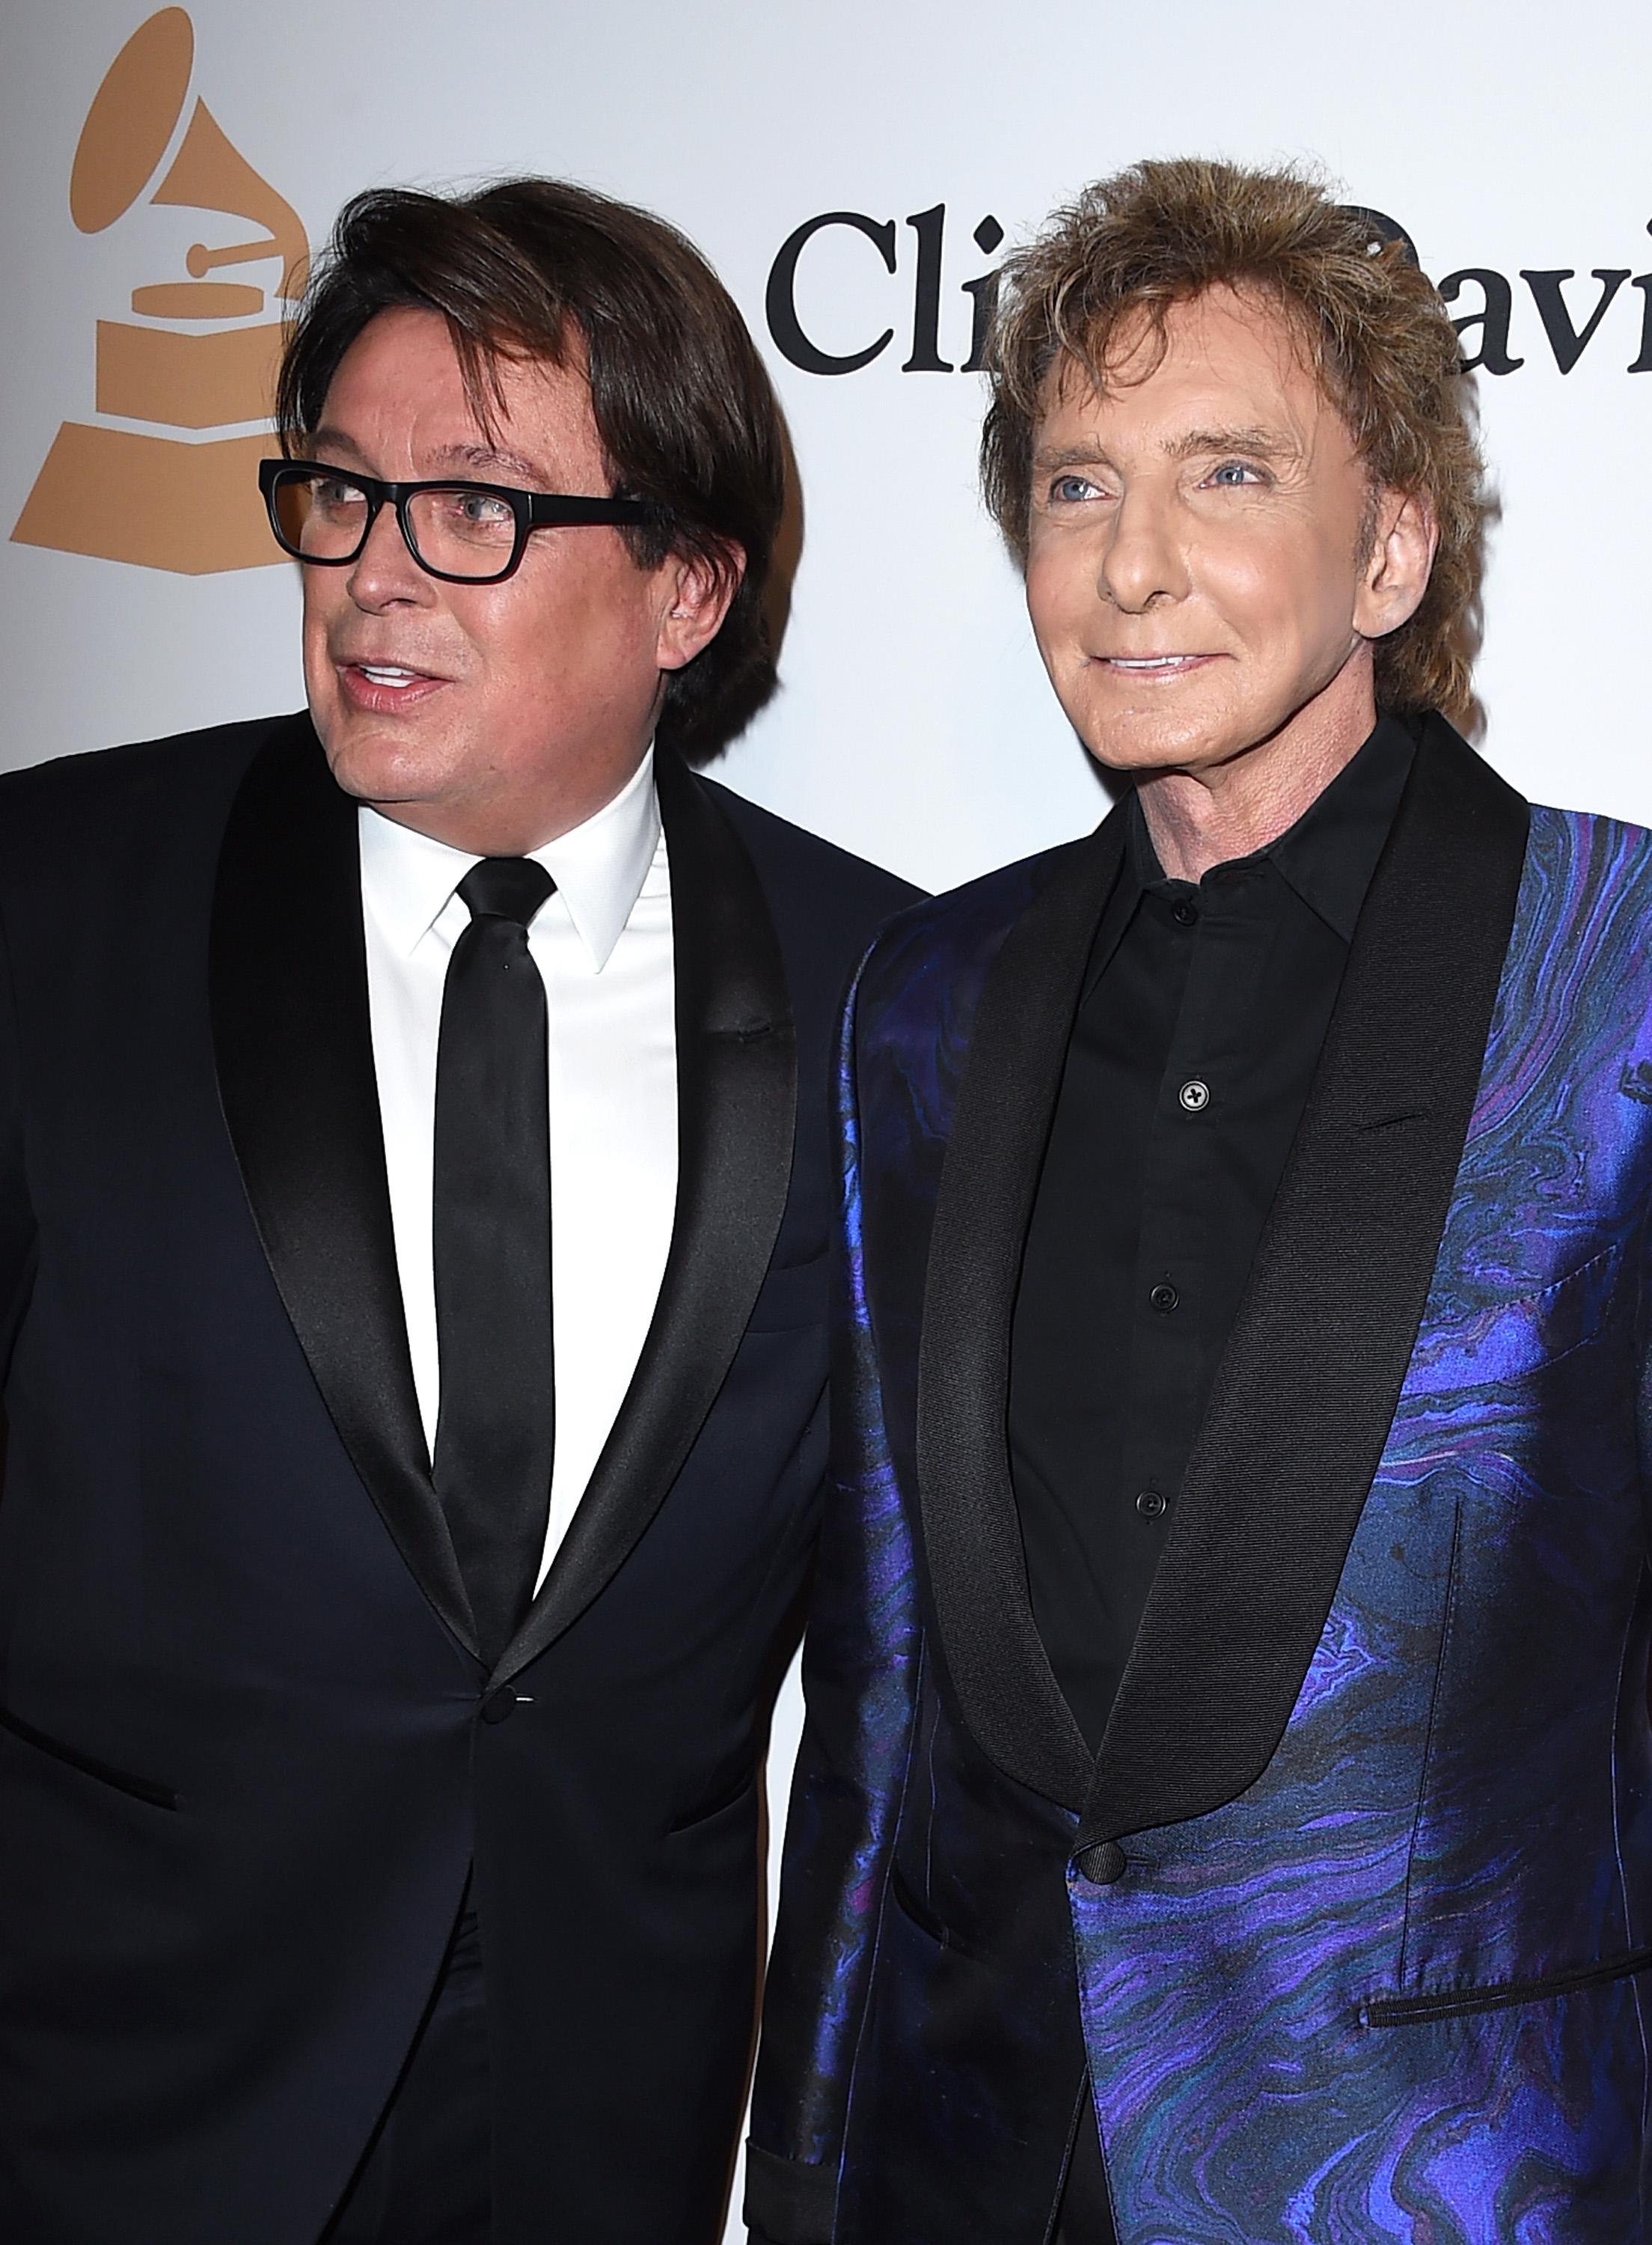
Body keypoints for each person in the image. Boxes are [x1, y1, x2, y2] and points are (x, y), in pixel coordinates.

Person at [0, 177, 917, 2245]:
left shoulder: (897, 1002)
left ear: (685, 589)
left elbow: (896, 1680)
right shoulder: (48, 909)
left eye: (474, 510)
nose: (371, 576)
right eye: (336, 493)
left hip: (605, 2120)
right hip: (108, 2103)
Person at [745, 158, 1652, 2245]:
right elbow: (881, 1668)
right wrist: (804, 2155)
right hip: (965, 2164)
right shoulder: (930, 1001)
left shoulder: (1616, 974)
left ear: (1393, 548)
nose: (1133, 568)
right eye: (1076, 489)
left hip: (1454, 2174)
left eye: (1227, 474)